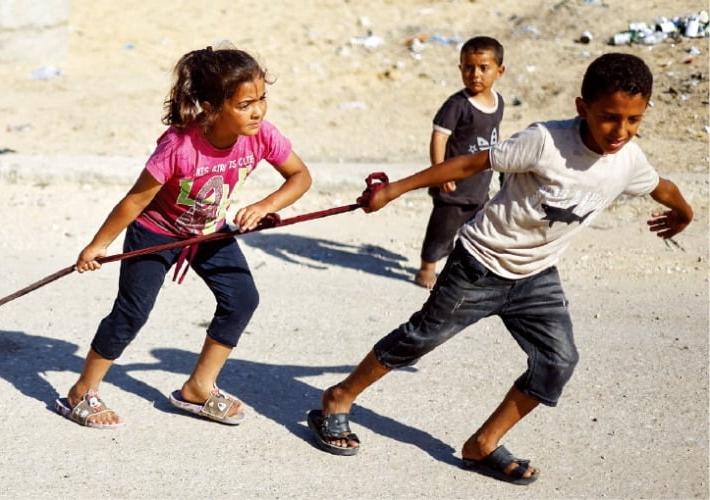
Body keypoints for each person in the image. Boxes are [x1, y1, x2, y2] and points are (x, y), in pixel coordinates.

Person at [307, 53, 693, 485]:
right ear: (582, 107)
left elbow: (661, 185)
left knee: (557, 362)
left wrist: (684, 212)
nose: (620, 131)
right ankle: (338, 398)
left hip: (536, 276)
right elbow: (472, 163)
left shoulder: (629, 159)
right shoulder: (545, 142)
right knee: (420, 338)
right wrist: (394, 190)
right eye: (608, 118)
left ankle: (483, 444)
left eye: (633, 120)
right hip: (479, 263)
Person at [55, 46, 312, 429]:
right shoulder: (179, 146)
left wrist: (265, 205)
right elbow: (135, 200)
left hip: (209, 232)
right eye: (245, 104)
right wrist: (98, 244)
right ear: (210, 107)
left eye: (262, 99)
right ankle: (81, 392)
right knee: (131, 314)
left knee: (242, 299)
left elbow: (300, 177)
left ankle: (198, 387)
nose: (258, 111)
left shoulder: (261, 136)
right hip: (156, 233)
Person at [415, 36, 505, 290]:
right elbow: (439, 137)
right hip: (452, 186)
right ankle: (427, 268)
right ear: (460, 69)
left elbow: (493, 136)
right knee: (442, 229)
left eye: (483, 68)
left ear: (500, 71)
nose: (475, 74)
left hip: (479, 184)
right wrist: (440, 173)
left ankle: (472, 269)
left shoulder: (498, 103)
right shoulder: (457, 105)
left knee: (480, 229)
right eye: (468, 67)